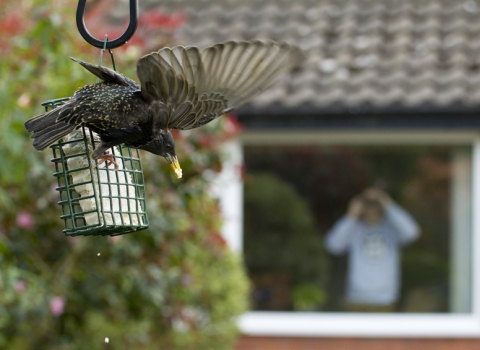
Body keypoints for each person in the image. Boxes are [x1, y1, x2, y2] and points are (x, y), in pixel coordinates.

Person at [324, 188, 419, 312]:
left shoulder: (391, 229)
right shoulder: (353, 229)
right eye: (367, 204)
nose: (371, 208)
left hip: (385, 299)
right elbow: (333, 245)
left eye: (375, 204)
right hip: (357, 299)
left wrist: (389, 205)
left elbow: (412, 233)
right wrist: (351, 216)